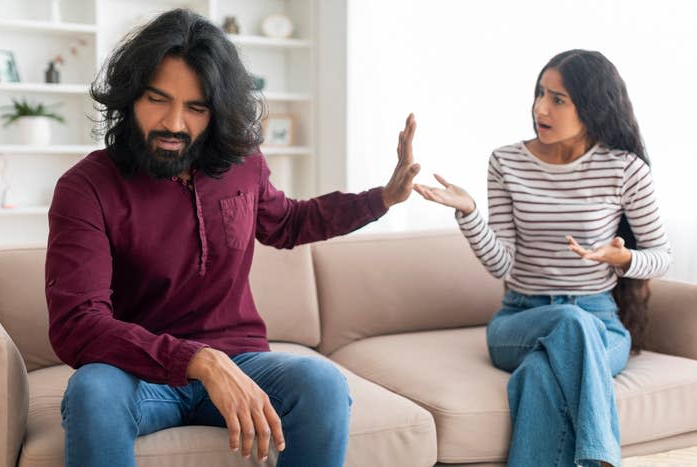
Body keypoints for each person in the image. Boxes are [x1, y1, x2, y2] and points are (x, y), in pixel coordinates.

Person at [45, 9, 420, 467]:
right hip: (136, 373)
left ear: (217, 111)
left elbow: (288, 222)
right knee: (92, 390)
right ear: (129, 97)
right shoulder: (85, 187)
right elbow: (77, 324)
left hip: (241, 360)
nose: (175, 123)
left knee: (321, 383)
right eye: (156, 99)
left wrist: (382, 198)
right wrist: (199, 359)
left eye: (196, 107)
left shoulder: (242, 163)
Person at [414, 49, 671, 467]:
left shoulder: (625, 170)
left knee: (539, 373)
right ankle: (603, 458)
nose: (540, 108)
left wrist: (623, 261)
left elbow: (662, 255)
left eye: (557, 99)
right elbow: (503, 265)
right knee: (570, 322)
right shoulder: (507, 162)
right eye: (539, 93)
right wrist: (469, 213)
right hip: (520, 320)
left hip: (602, 322)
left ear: (593, 106)